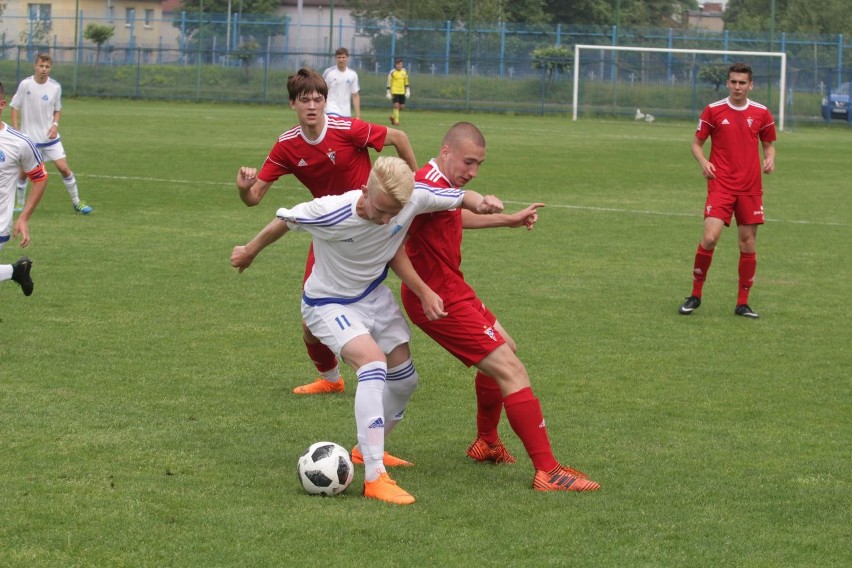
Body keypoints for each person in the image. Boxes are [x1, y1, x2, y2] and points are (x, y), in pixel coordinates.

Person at [231, 156, 505, 504]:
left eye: (395, 213)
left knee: (405, 381)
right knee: (373, 366)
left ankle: (364, 451)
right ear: (366, 189)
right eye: (381, 210)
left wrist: (482, 202)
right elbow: (284, 221)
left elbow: (457, 197)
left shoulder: (413, 198)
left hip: (373, 297)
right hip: (327, 303)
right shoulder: (331, 210)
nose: (387, 220)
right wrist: (249, 251)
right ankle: (375, 477)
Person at [398, 122, 601, 492]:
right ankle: (548, 472)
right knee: (512, 370)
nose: (472, 172)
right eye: (468, 162)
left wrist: (507, 219)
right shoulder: (422, 185)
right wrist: (423, 291)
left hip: (454, 288)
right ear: (446, 152)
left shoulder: (441, 186)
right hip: (438, 298)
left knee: (507, 350)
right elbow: (395, 245)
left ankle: (487, 442)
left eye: (479, 165)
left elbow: (454, 214)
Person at [236, 68, 418, 398]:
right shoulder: (287, 145)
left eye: (318, 99)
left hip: (373, 223)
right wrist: (244, 188)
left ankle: (384, 364)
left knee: (400, 290)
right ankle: (332, 378)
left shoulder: (346, 129)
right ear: (292, 103)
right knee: (310, 323)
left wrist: (413, 187)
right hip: (331, 231)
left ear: (325, 102)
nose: (311, 106)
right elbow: (255, 198)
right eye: (304, 100)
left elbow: (399, 139)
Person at [678, 62, 776, 319]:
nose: (737, 87)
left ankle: (742, 303)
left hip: (750, 187)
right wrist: (703, 161)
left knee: (748, 243)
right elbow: (696, 144)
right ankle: (695, 295)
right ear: (728, 83)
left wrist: (770, 158)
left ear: (750, 85)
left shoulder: (762, 113)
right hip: (721, 184)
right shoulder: (713, 110)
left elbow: (768, 145)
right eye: (733, 82)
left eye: (742, 82)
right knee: (710, 238)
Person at [10, 53, 92, 215]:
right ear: (35, 66)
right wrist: (16, 131)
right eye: (41, 66)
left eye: (47, 67)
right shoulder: (25, 84)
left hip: (50, 139)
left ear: (50, 68)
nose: (43, 69)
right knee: (24, 173)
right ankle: (19, 203)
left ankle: (77, 202)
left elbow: (57, 109)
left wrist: (55, 125)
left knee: (63, 168)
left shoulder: (55, 87)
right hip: (30, 140)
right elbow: (14, 107)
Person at [0, 80, 48, 296]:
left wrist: (24, 217)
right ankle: (15, 271)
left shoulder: (19, 142)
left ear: (2, 105)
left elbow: (40, 178)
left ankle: (15, 272)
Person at [322, 47, 360, 119]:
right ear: (335, 58)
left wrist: (357, 115)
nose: (341, 60)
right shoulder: (329, 72)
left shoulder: (353, 74)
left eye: (343, 57)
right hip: (330, 109)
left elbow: (355, 95)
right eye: (339, 57)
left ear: (347, 58)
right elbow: (321, 91)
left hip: (346, 112)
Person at [385, 58, 409, 126]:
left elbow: (406, 82)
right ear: (395, 65)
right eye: (398, 64)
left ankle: (393, 116)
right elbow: (389, 82)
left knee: (401, 107)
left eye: (400, 64)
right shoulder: (392, 72)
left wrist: (407, 90)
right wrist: (388, 92)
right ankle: (396, 121)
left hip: (402, 92)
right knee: (396, 106)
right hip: (394, 91)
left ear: (402, 64)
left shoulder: (404, 72)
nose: (399, 65)